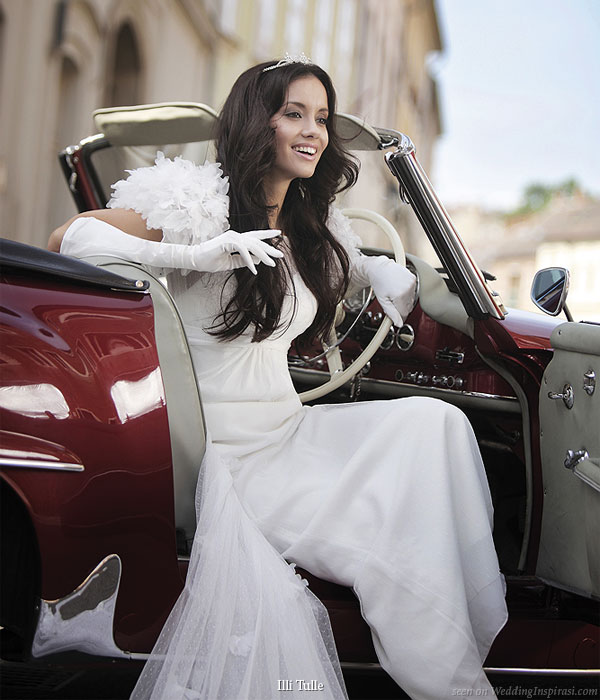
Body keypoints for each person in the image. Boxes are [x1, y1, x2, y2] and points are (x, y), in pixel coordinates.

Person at [49, 56, 508, 700]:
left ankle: (463, 635)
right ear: (254, 121)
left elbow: (351, 262)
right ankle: (437, 668)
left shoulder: (305, 225)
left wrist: (379, 272)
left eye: (321, 117)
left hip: (292, 428)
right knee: (390, 514)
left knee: (436, 423)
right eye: (294, 113)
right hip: (238, 460)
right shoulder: (196, 203)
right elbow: (71, 239)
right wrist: (192, 253)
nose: (313, 131)